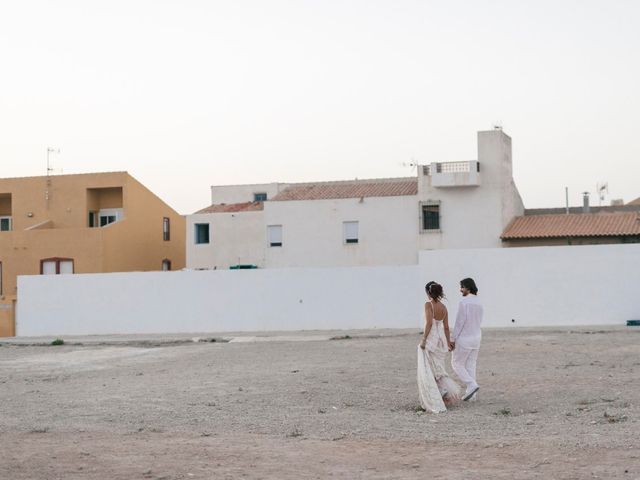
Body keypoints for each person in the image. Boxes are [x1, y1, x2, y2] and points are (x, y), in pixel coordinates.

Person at [417, 281, 461, 413]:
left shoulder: (428, 304)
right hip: (440, 339)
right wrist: (448, 342)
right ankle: (443, 392)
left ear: (428, 292)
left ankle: (437, 394)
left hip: (431, 338)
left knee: (428, 367)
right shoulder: (444, 308)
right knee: (438, 367)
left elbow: (429, 323)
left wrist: (424, 339)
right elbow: (446, 327)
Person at [450, 277, 483, 402]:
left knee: (456, 364)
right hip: (476, 338)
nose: (460, 290)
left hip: (464, 339)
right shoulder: (479, 302)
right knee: (470, 365)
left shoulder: (464, 302)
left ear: (468, 288)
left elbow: (459, 322)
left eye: (462, 287)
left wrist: (452, 339)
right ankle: (472, 395)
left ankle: (471, 384)